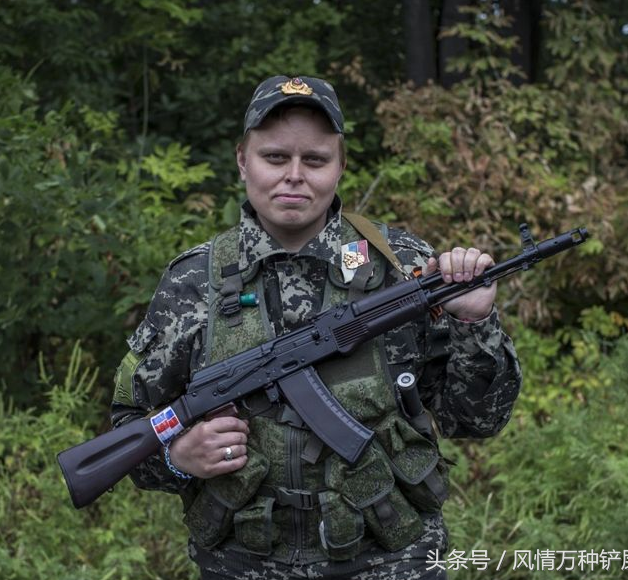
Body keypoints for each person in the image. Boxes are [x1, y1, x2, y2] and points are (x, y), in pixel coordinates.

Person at [111, 75, 522, 579]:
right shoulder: (193, 282)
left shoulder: (406, 267)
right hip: (242, 565)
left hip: (392, 561)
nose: (294, 176)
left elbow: (476, 420)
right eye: (275, 158)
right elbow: (128, 429)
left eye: (316, 160)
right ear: (243, 160)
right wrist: (178, 456)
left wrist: (475, 320)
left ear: (341, 166)